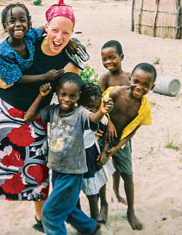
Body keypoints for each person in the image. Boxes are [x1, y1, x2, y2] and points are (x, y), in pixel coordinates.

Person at [0, 0, 80, 235]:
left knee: (38, 170)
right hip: (1, 112)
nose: (59, 37)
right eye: (55, 30)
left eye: (66, 33)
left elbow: (70, 98)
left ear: (73, 34)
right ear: (46, 27)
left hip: (35, 120)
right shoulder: (29, 40)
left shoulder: (70, 62)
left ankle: (39, 218)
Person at [24, 72, 114, 235]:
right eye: (63, 94)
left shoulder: (80, 113)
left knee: (50, 213)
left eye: (72, 96)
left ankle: (89, 228)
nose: (67, 99)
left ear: (78, 97)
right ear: (57, 92)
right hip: (57, 169)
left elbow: (93, 118)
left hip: (72, 171)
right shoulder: (52, 111)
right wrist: (41, 95)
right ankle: (91, 228)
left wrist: (101, 110)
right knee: (67, 207)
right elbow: (28, 116)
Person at [98, 62, 157, 231]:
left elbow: (133, 131)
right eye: (136, 81)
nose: (140, 87)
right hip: (102, 136)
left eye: (146, 85)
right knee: (101, 171)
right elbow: (100, 107)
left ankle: (131, 210)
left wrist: (118, 148)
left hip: (122, 142)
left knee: (128, 175)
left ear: (152, 87)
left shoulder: (144, 108)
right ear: (130, 78)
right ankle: (104, 205)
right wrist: (108, 122)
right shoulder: (116, 92)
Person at [78, 82, 115, 223]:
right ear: (79, 103)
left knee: (93, 189)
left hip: (91, 155)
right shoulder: (75, 115)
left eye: (96, 107)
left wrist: (105, 152)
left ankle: (96, 216)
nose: (93, 110)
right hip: (75, 158)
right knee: (75, 192)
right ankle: (80, 218)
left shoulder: (100, 117)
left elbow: (107, 135)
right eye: (89, 106)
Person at [99, 40, 131, 205]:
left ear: (121, 56)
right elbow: (99, 104)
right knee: (103, 164)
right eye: (104, 59)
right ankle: (104, 201)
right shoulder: (105, 79)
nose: (108, 62)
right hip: (106, 128)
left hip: (123, 131)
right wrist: (109, 122)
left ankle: (117, 193)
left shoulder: (129, 78)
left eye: (112, 57)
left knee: (120, 165)